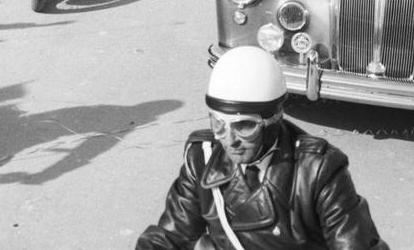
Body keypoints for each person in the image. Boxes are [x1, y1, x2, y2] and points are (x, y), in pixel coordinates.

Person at [136, 46, 388, 250]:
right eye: (218, 124)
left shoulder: (317, 170)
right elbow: (169, 237)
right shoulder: (202, 158)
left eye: (244, 126)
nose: (229, 140)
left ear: (274, 119)